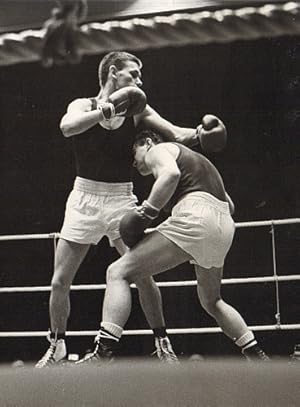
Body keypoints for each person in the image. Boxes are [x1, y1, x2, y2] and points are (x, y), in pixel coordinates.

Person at [36, 51, 227, 367]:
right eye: (133, 74)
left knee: (141, 273)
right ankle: (56, 345)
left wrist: (202, 134)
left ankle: (162, 342)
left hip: (121, 199)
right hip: (84, 197)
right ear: (113, 72)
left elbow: (175, 133)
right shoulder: (83, 105)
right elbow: (67, 127)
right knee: (59, 281)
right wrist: (106, 109)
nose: (139, 81)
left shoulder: (138, 109)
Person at [81, 130, 269, 363]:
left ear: (148, 143)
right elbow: (229, 206)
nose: (134, 160)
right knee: (212, 301)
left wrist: (146, 211)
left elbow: (170, 174)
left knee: (117, 272)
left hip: (197, 217)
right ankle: (256, 354)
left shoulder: (159, 150)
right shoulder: (199, 160)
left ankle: (103, 352)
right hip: (224, 227)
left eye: (135, 152)